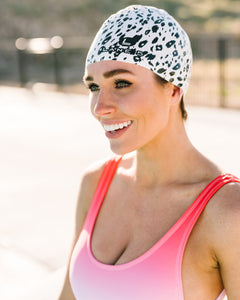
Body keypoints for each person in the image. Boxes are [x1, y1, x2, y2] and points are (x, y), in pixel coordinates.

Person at [58, 5, 240, 300]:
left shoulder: (228, 212)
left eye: (121, 83)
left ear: (173, 88)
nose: (99, 107)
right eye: (94, 86)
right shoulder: (95, 183)